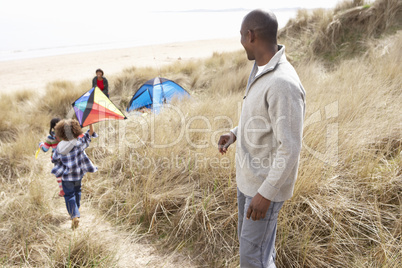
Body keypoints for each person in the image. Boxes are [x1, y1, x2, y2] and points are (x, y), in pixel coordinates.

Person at [218, 9, 306, 268]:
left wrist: (265, 194)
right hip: (248, 182)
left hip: (263, 187)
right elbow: (260, 118)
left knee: (252, 258)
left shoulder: (283, 83)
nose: (241, 41)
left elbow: (290, 147)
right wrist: (234, 133)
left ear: (250, 35)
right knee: (257, 253)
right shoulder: (260, 68)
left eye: (241, 36)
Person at [51, 119, 98, 230]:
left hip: (66, 177)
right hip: (78, 175)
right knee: (78, 191)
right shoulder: (78, 144)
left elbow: (54, 159)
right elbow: (89, 134)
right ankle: (77, 208)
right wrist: (90, 123)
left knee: (69, 195)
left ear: (60, 132)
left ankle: (74, 215)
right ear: (76, 131)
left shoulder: (59, 147)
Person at [39, 117, 64, 196]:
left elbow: (45, 149)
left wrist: (40, 144)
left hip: (56, 157)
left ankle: (61, 190)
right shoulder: (65, 134)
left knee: (58, 173)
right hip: (65, 155)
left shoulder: (50, 137)